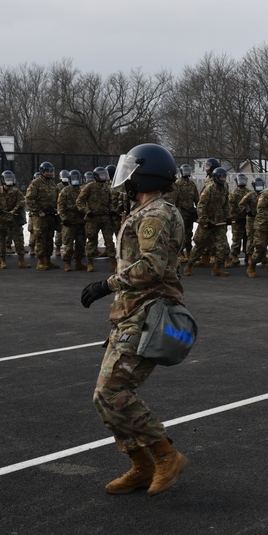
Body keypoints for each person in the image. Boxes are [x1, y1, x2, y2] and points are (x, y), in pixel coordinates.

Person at [80, 142, 189, 497]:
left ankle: (164, 455)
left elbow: (151, 268)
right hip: (130, 314)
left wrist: (105, 284)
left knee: (113, 391)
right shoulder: (143, 210)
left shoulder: (155, 214)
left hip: (147, 314)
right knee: (104, 396)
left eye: (131, 169)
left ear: (146, 173)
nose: (125, 176)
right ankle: (141, 466)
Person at [186, 166, 231, 277]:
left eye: (224, 177)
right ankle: (189, 265)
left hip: (219, 223)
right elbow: (201, 207)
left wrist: (228, 217)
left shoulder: (224, 189)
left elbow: (226, 205)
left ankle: (217, 269)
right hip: (207, 223)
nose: (223, 179)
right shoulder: (209, 189)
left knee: (222, 246)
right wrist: (205, 221)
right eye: (220, 177)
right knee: (200, 245)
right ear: (215, 177)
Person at [77, 166, 118, 273]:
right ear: (96, 176)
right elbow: (79, 201)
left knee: (109, 241)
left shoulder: (106, 187)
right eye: (101, 175)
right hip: (92, 218)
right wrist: (86, 211)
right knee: (91, 240)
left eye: (105, 174)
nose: (104, 176)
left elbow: (110, 202)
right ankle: (90, 262)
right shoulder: (89, 187)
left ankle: (113, 262)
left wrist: (112, 210)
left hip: (105, 218)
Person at [0, 170, 30, 269]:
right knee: (0, 239)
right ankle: (2, 261)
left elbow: (22, 201)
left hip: (14, 219)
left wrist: (15, 210)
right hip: (1, 219)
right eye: (7, 179)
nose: (9, 181)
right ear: (3, 180)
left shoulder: (16, 191)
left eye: (11, 179)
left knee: (19, 239)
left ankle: (21, 260)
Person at [27, 161, 60, 270]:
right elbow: (29, 199)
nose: (49, 173)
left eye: (50, 171)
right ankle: (40, 261)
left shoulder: (52, 183)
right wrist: (38, 211)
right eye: (47, 171)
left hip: (51, 215)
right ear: (42, 171)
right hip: (40, 216)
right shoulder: (35, 183)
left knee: (49, 238)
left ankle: (48, 260)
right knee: (40, 238)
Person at [58, 169, 87, 272]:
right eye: (74, 179)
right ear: (70, 179)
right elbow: (60, 206)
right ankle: (67, 263)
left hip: (80, 221)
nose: (76, 180)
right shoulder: (65, 191)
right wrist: (64, 218)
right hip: (69, 222)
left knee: (80, 244)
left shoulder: (83, 190)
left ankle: (78, 263)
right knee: (68, 245)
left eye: (77, 179)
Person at [172, 164, 199, 263]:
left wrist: (197, 210)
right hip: (181, 212)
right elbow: (175, 199)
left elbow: (197, 198)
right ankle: (180, 253)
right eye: (185, 171)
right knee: (181, 233)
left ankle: (189, 252)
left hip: (190, 212)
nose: (187, 172)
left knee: (189, 233)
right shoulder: (177, 184)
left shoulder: (192, 184)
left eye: (188, 170)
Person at [227, 173, 251, 267]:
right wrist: (234, 216)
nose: (242, 181)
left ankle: (247, 254)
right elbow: (231, 207)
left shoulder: (249, 192)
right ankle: (234, 255)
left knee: (247, 237)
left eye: (243, 180)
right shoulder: (233, 193)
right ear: (237, 181)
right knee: (236, 238)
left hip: (247, 219)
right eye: (240, 180)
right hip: (237, 219)